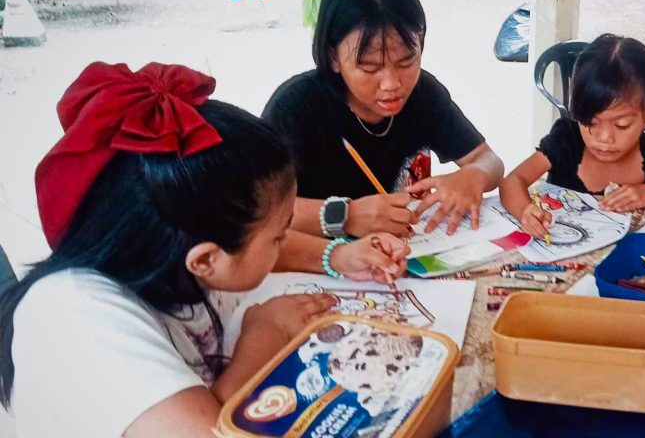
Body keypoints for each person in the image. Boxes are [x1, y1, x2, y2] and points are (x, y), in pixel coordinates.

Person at [0, 62, 408, 437]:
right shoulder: (75, 319)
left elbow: (250, 250)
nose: (285, 242)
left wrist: (337, 256)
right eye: (279, 235)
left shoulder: (165, 247)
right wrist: (264, 334)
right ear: (205, 259)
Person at [263, 0, 504, 271]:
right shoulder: (295, 108)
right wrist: (347, 216)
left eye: (407, 61)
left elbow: (490, 161)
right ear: (334, 57)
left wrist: (475, 175)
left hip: (405, 260)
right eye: (369, 67)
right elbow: (259, 214)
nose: (392, 83)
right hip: (320, 264)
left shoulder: (423, 94)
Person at [500, 34, 645, 238]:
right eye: (590, 122)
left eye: (622, 125)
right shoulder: (567, 141)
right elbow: (512, 181)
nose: (604, 137)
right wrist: (525, 211)